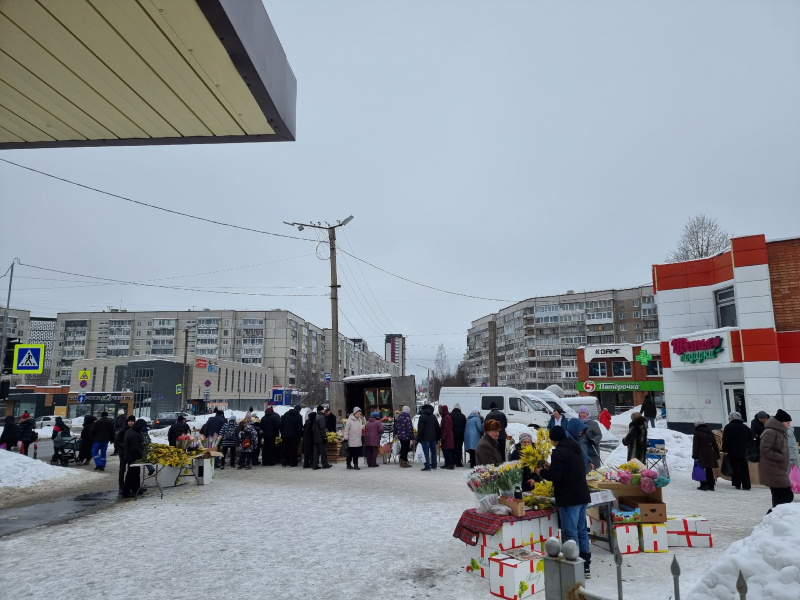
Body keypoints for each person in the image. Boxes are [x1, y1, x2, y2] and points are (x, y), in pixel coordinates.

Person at [535, 426, 592, 578]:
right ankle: (585, 565)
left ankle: (573, 565)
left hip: (569, 498)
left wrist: (541, 472)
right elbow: (566, 469)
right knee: (581, 531)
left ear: (554, 440)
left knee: (570, 532)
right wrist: (552, 467)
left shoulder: (559, 452)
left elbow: (556, 476)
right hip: (582, 495)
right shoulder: (575, 448)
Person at [759, 409, 793, 512]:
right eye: (787, 422)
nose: (789, 424)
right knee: (787, 495)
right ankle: (772, 516)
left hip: (777, 468)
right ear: (780, 422)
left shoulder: (780, 432)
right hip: (772, 468)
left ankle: (773, 519)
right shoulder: (771, 432)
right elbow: (764, 449)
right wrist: (781, 457)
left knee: (778, 496)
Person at [721, 411, 752, 490]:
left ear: (731, 418)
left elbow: (725, 440)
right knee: (744, 468)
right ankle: (746, 485)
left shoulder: (728, 427)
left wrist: (725, 450)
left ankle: (737, 484)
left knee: (734, 468)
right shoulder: (745, 427)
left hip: (732, 451)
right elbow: (750, 438)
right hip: (743, 451)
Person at [122, 419, 148, 498]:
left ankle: (136, 488)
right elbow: (135, 449)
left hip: (131, 456)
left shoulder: (132, 431)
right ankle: (126, 492)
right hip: (132, 457)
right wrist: (142, 455)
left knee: (136, 474)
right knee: (131, 474)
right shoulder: (134, 434)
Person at [692, 420, 720, 491]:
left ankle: (703, 485)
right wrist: (717, 453)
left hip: (701, 453)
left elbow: (696, 445)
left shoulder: (697, 433)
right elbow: (715, 444)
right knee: (709, 469)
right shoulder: (710, 432)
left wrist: (694, 455)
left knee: (701, 469)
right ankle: (711, 486)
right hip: (710, 452)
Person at [416, 403, 441, 471]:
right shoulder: (433, 416)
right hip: (433, 438)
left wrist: (419, 438)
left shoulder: (422, 417)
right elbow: (437, 428)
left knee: (426, 452)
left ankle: (427, 466)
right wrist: (437, 438)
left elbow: (420, 429)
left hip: (425, 438)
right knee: (434, 452)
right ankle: (434, 465)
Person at [116, 415, 136, 493]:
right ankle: (121, 486)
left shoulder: (135, 430)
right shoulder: (123, 431)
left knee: (131, 470)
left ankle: (130, 485)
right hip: (123, 453)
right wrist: (125, 446)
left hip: (132, 454)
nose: (130, 423)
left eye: (132, 421)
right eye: (129, 421)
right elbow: (117, 441)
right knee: (122, 469)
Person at [311, 405, 333, 470]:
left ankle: (315, 465)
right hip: (320, 437)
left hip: (315, 437)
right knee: (323, 451)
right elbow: (322, 428)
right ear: (321, 410)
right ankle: (325, 464)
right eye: (323, 410)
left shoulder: (315, 417)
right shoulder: (321, 417)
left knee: (316, 452)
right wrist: (324, 437)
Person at [451, 403, 467, 468]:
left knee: (452, 448)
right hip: (460, 435)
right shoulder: (463, 416)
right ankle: (458, 462)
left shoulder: (450, 415)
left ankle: (453, 460)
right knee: (459, 448)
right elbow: (465, 426)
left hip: (452, 434)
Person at [439, 404, 455, 470]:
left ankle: (450, 464)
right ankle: (447, 464)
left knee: (447, 450)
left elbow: (446, 428)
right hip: (449, 435)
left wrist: (443, 436)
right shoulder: (447, 416)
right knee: (447, 450)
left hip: (447, 436)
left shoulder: (446, 417)